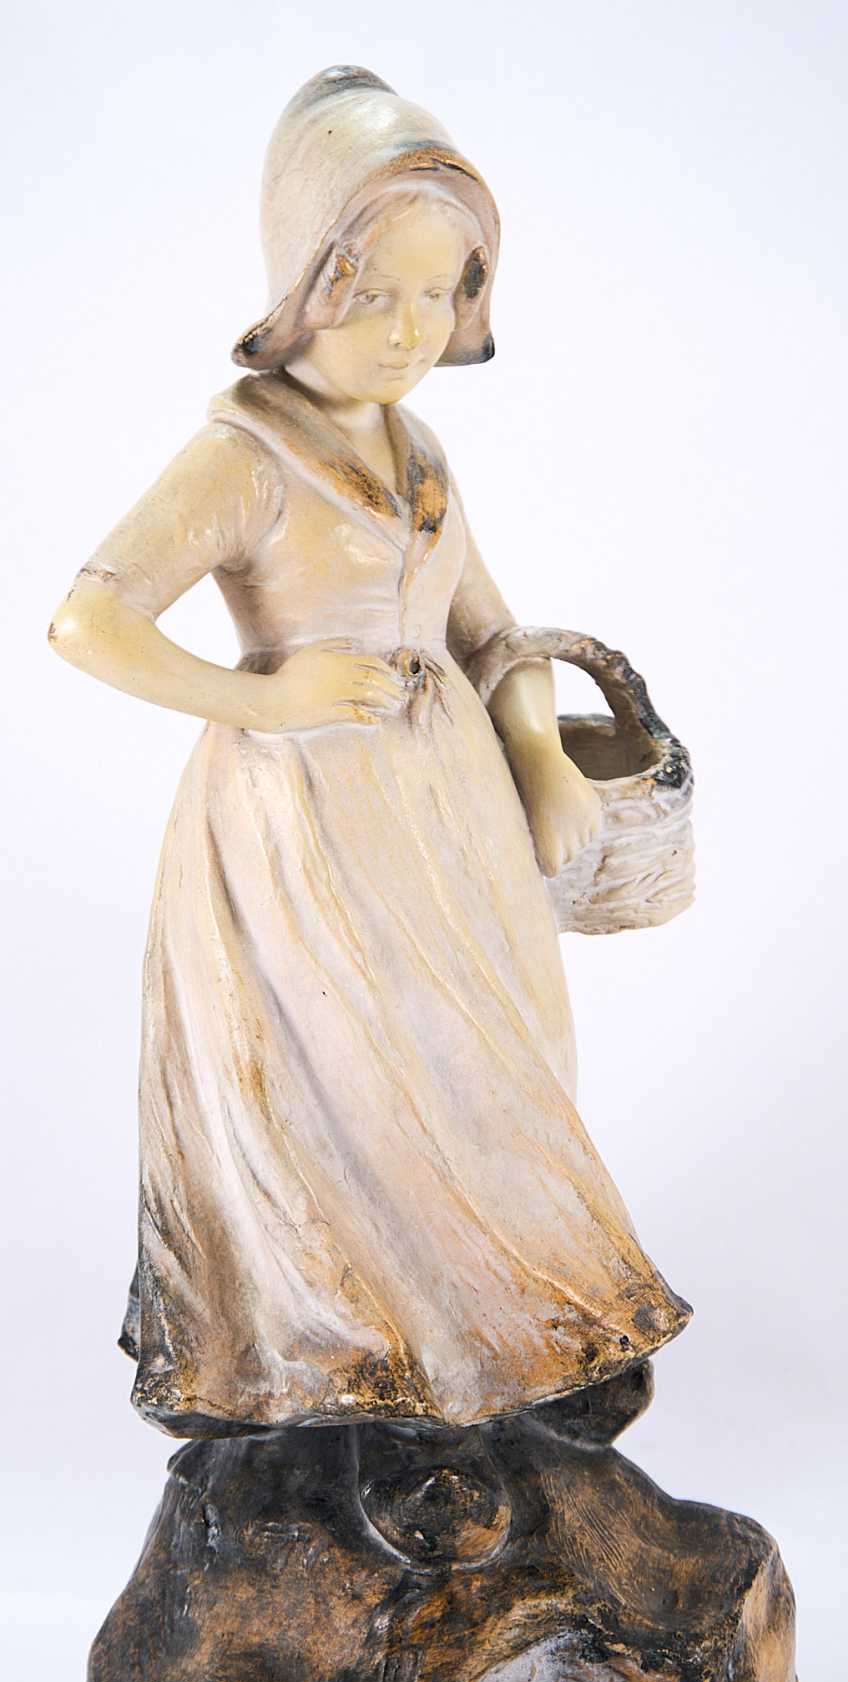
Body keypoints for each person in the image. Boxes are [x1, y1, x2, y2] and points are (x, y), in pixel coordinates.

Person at [49, 66, 690, 1436]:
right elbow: (88, 622)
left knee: (490, 1065)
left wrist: (540, 756)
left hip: (449, 818)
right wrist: (267, 698)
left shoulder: (423, 451)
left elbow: (494, 632)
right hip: (305, 832)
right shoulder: (244, 455)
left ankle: (494, 1337)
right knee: (344, 1084)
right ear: (305, 281)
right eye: (374, 294)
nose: (409, 331)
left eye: (439, 294)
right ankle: (356, 1369)